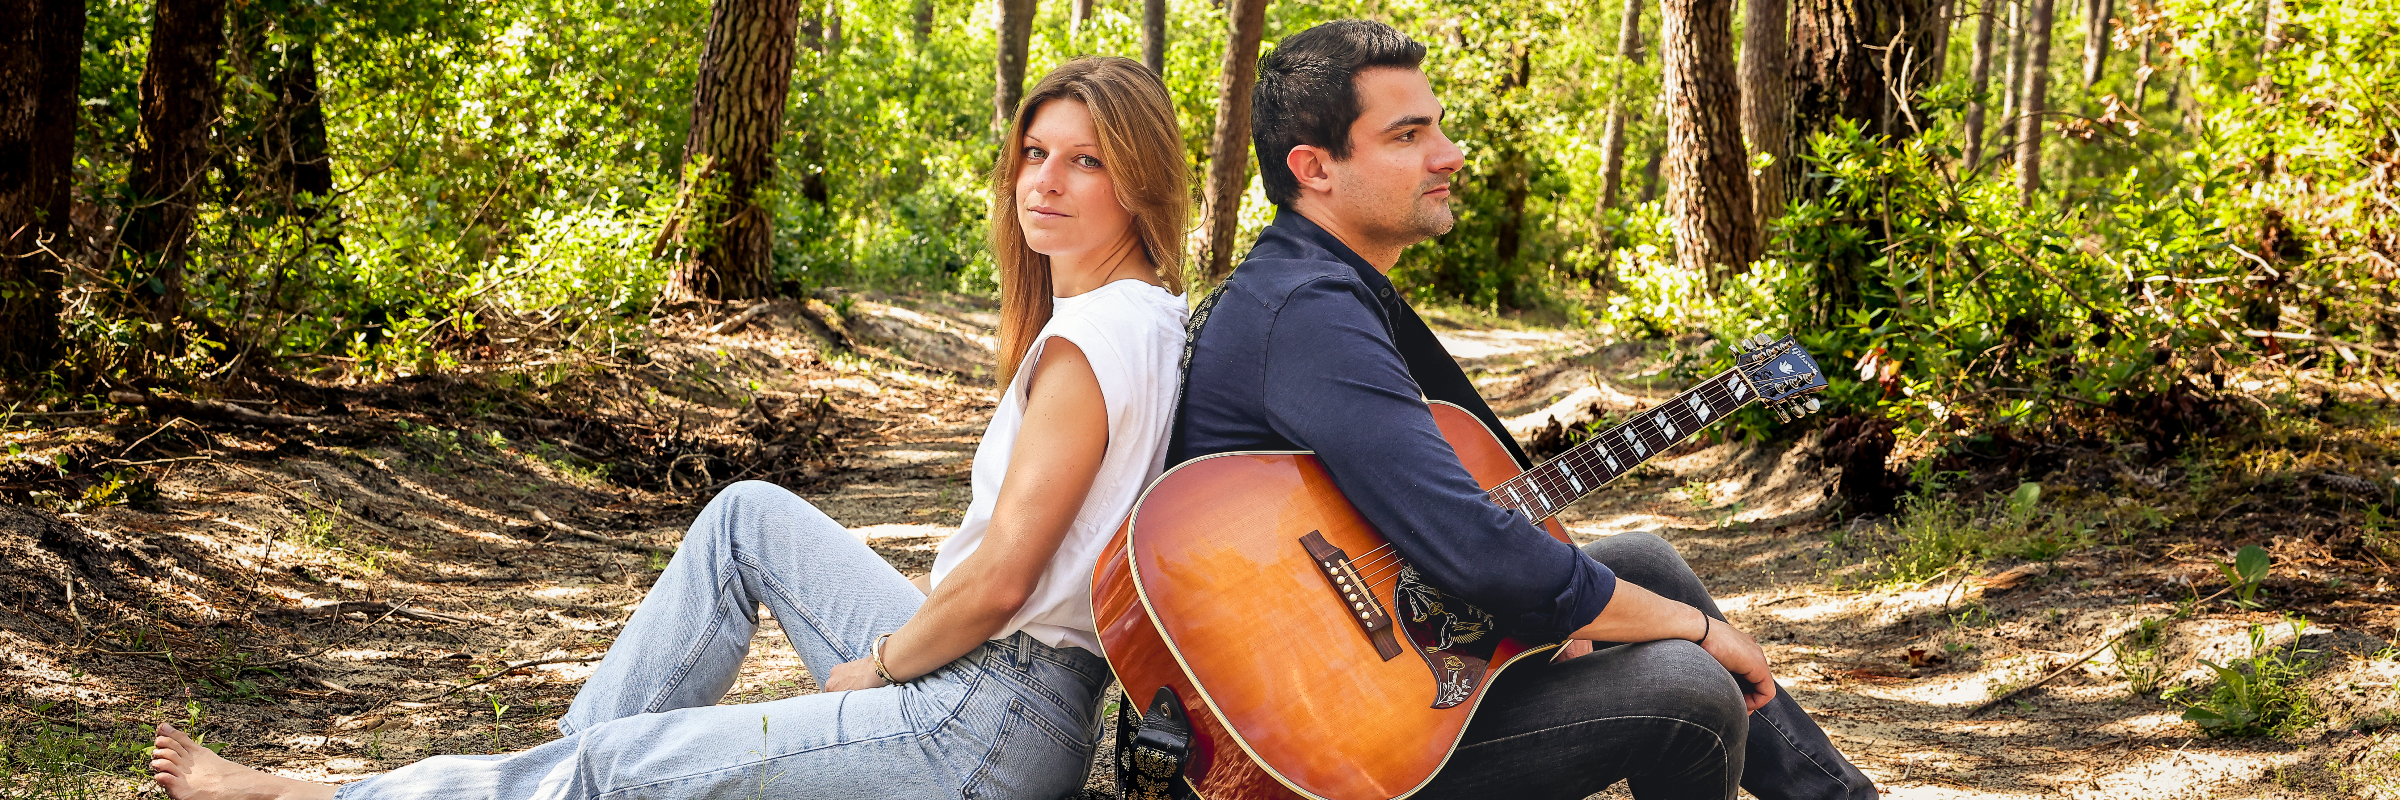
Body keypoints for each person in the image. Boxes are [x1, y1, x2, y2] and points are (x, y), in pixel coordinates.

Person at [148, 55, 1193, 800]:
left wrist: (876, 664)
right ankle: (546, 780)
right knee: (746, 516)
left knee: (619, 768)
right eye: (1035, 153)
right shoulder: (1148, 318)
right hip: (1015, 695)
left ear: (1141, 182)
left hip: (986, 724)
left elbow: (1005, 580)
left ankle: (325, 797)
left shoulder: (1086, 347)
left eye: (1086, 162)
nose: (1044, 182)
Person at [1168, 20, 1877, 800]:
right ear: (1315, 169)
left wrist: (1544, 613)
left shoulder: (1312, 281)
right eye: (1408, 135)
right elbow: (1472, 544)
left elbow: (1423, 515)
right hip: (1330, 741)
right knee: (1692, 686)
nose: (1450, 153)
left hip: (1385, 663)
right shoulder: (1310, 311)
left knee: (1643, 561)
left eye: (1437, 125)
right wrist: (1698, 630)